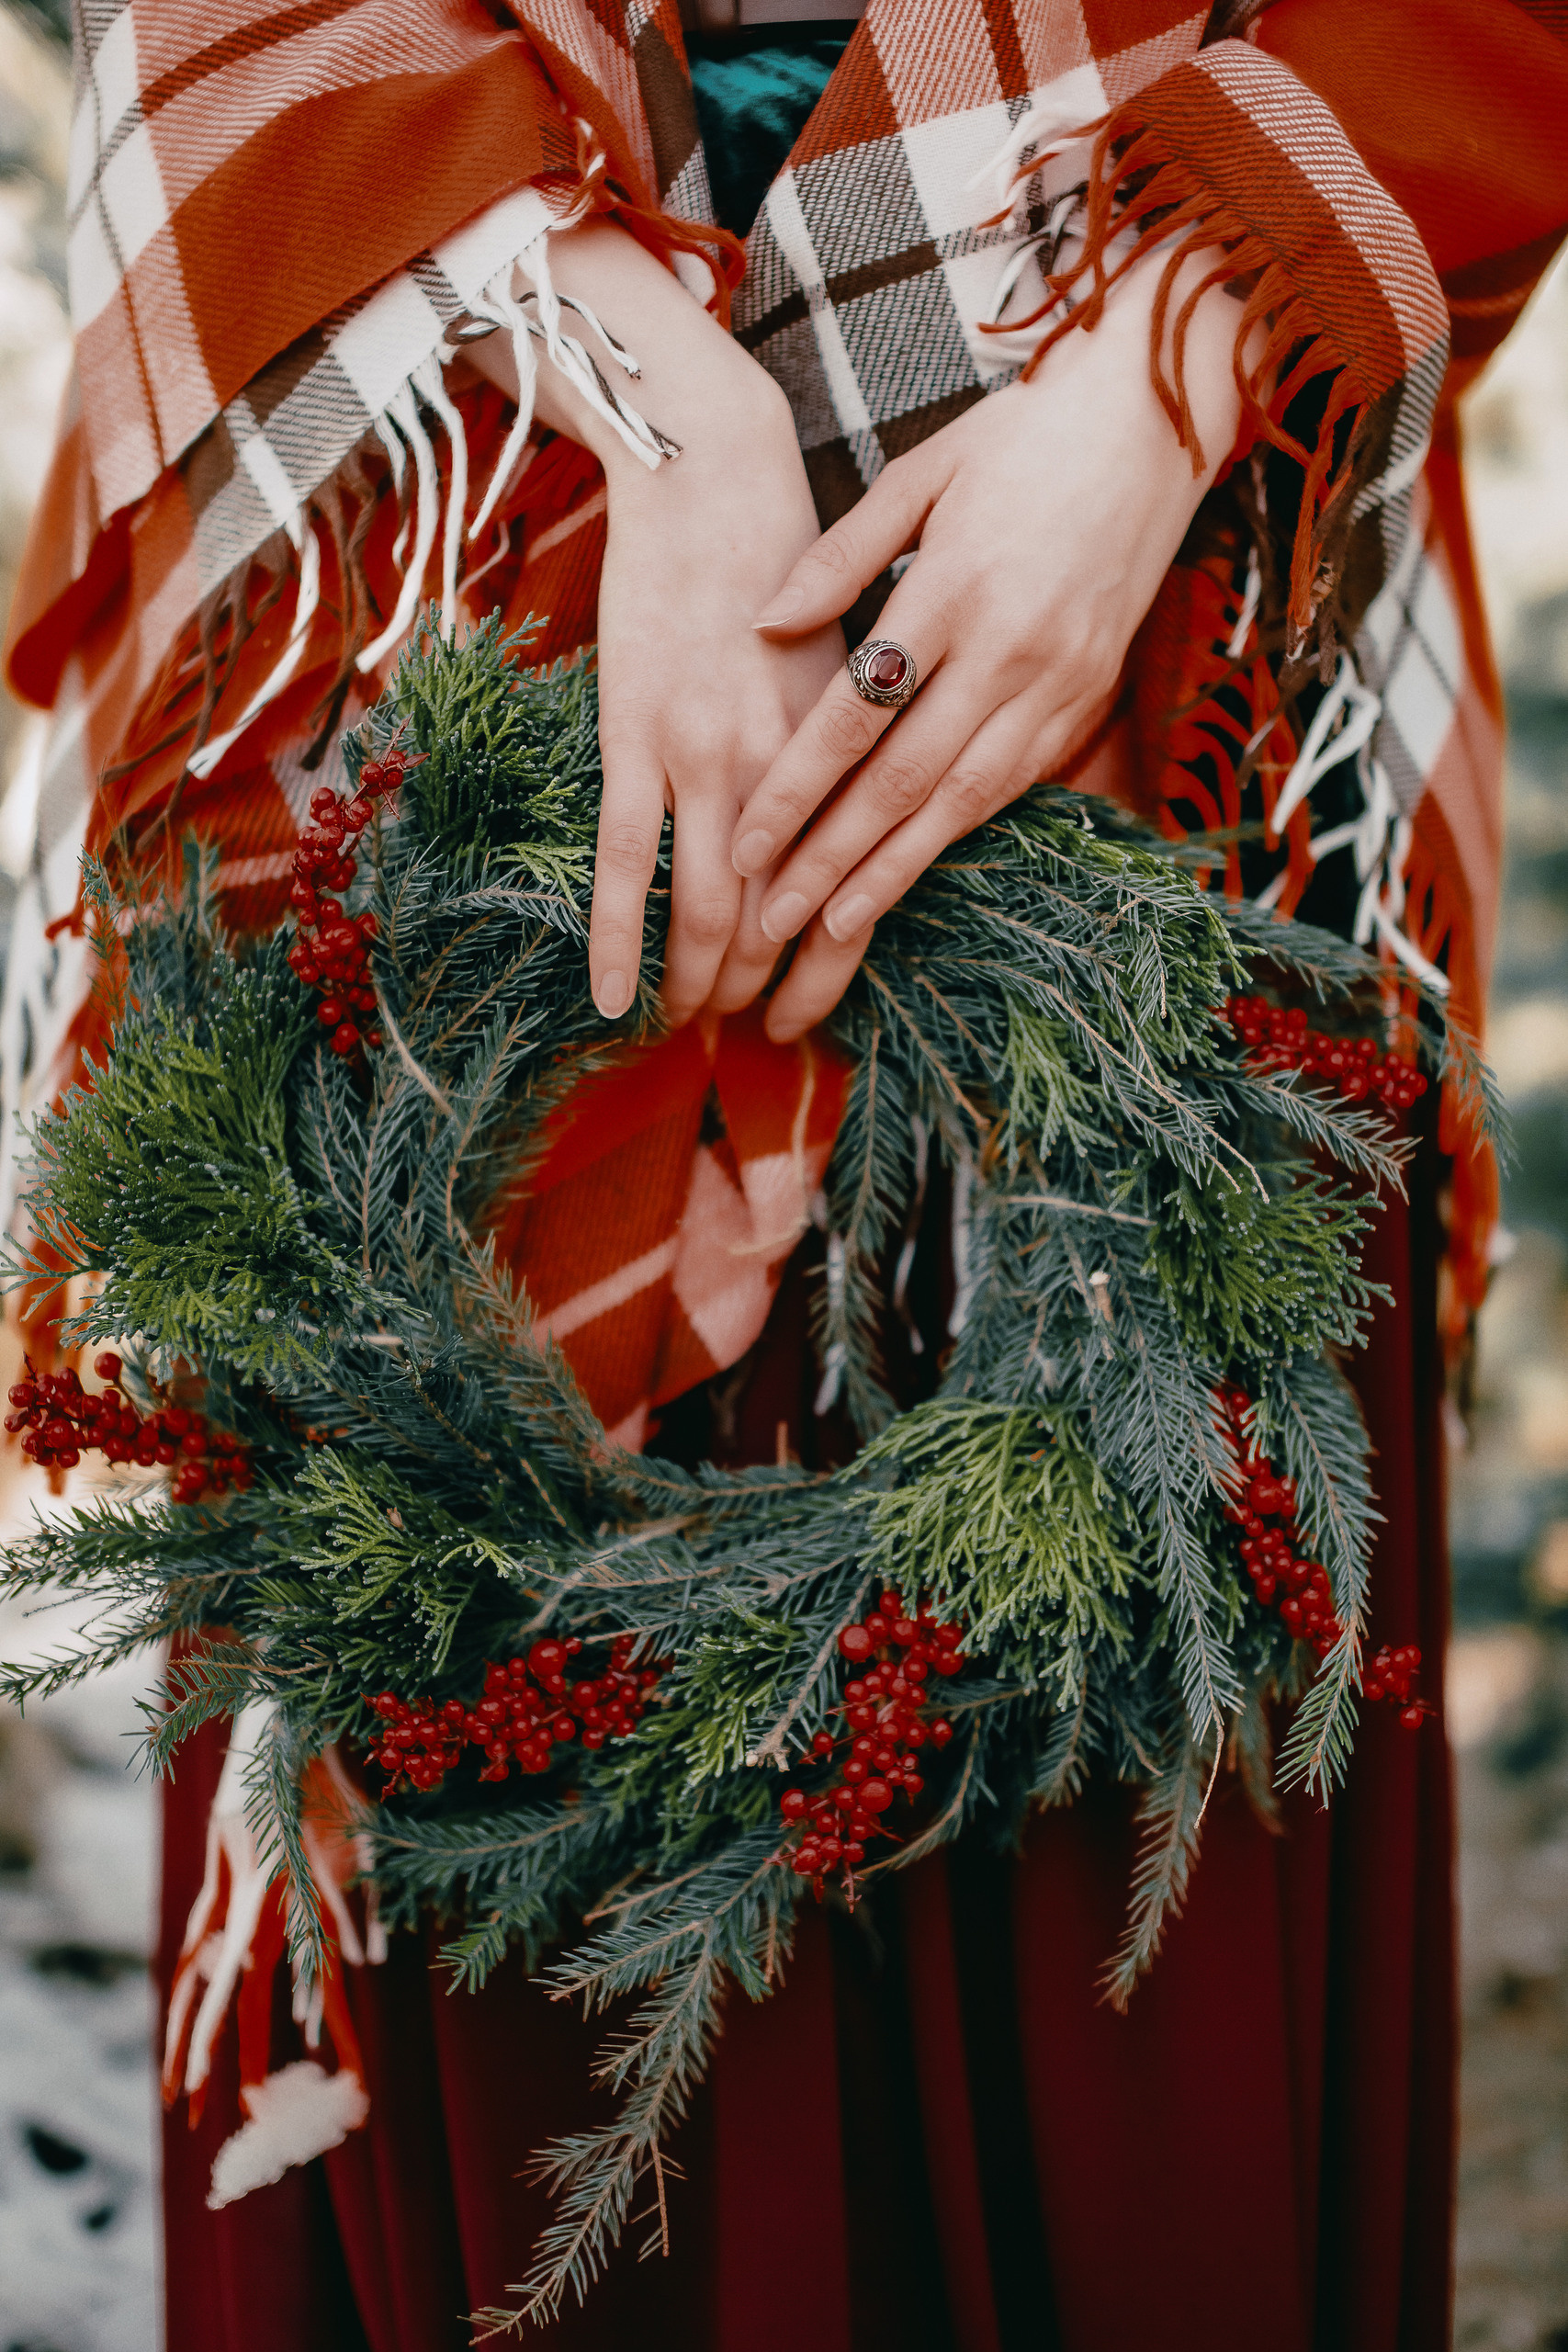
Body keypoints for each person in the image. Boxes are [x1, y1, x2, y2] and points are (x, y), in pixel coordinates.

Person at [5, 0, 1568, 2343]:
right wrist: (666, 402)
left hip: (1161, 725)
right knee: (493, 1971)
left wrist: (1162, 380)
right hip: (450, 649)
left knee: (1133, 2046)